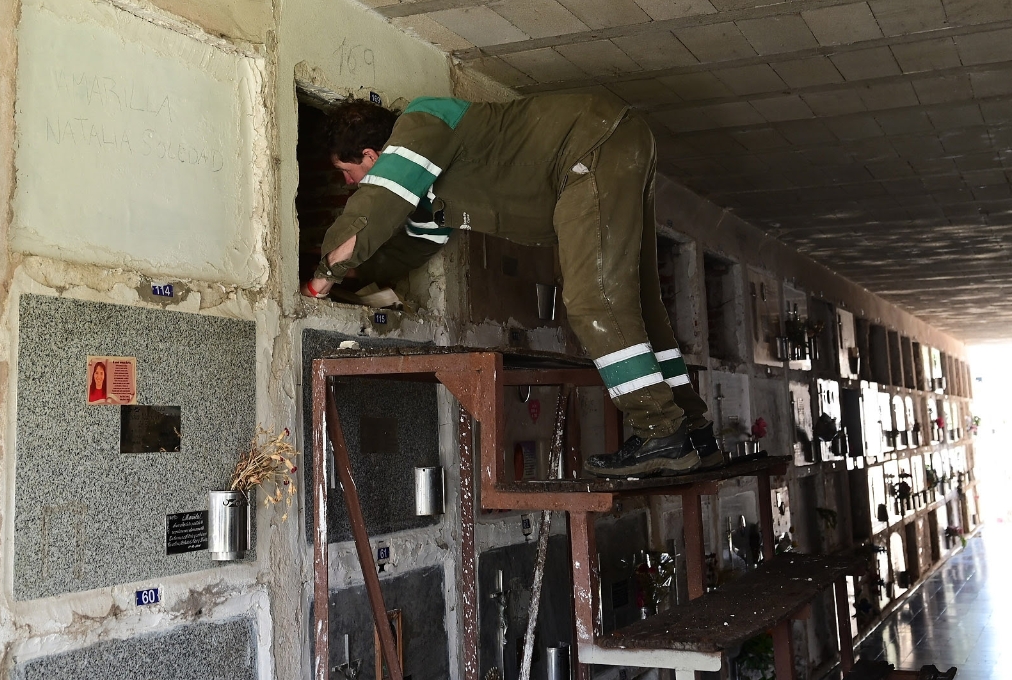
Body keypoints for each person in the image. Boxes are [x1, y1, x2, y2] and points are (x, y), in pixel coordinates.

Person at [302, 94, 722, 477]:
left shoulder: (421, 121)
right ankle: (693, 433)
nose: (349, 183)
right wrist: (356, 277)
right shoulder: (429, 191)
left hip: (591, 149)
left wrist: (322, 277)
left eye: (347, 172)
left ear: (372, 156)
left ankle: (659, 429)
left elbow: (376, 204)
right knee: (640, 303)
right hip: (614, 143)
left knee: (593, 301)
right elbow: (412, 246)